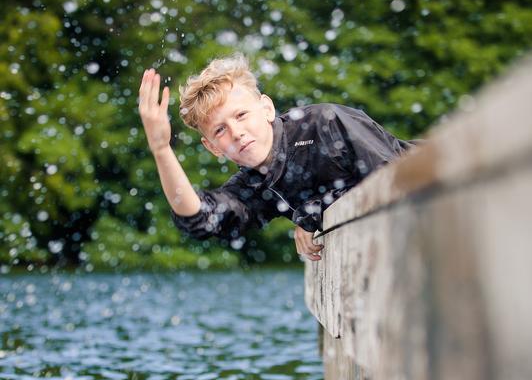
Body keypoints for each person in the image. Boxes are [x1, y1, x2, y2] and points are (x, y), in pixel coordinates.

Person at [138, 53, 408, 261]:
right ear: (213, 148)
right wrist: (162, 150)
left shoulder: (324, 123)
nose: (237, 133)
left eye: (241, 115)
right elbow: (202, 220)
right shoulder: (253, 186)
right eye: (220, 130)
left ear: (266, 108)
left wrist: (312, 212)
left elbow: (392, 177)